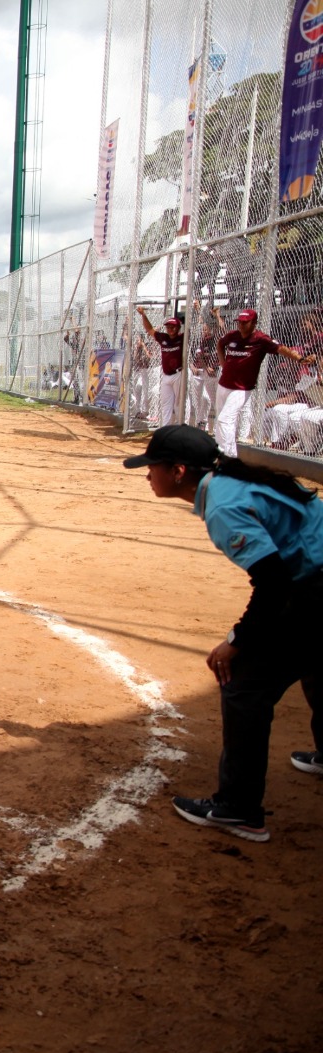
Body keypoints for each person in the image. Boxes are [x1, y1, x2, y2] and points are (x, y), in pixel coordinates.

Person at [124, 425, 323, 841]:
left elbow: (273, 583)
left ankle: (238, 809)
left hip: (314, 587)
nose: (147, 475)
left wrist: (236, 641)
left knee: (245, 688)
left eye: (153, 467)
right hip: (312, 581)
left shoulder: (222, 506)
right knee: (314, 661)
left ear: (179, 471)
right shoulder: (231, 480)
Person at [214, 309, 303, 456]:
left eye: (245, 323)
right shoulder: (233, 335)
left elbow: (282, 349)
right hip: (224, 384)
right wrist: (223, 363)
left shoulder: (261, 339)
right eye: (239, 322)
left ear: (254, 323)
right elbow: (220, 344)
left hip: (241, 388)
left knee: (225, 418)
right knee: (221, 419)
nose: (241, 326)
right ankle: (219, 452)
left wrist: (299, 359)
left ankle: (228, 456)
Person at [137, 307, 184, 425]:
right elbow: (149, 329)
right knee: (166, 402)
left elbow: (193, 330)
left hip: (179, 374)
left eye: (173, 327)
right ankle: (166, 428)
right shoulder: (164, 338)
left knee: (179, 403)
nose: (170, 329)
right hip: (166, 375)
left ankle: (181, 427)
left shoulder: (182, 338)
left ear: (178, 328)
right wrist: (143, 314)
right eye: (168, 327)